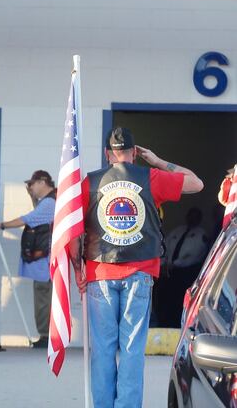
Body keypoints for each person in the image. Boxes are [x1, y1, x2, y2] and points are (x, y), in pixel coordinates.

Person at [70, 127, 203, 408]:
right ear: (134, 153)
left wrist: (77, 269)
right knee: (131, 348)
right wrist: (156, 161)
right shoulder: (151, 177)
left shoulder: (90, 182)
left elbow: (72, 231)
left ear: (108, 155)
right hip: (139, 273)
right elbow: (196, 183)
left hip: (99, 273)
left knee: (103, 350)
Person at [0, 170, 56, 348]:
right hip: (47, 262)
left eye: (32, 184)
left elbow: (29, 219)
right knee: (44, 298)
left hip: (45, 262)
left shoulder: (49, 203)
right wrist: (33, 198)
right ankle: (46, 336)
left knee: (42, 299)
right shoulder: (49, 201)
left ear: (42, 182)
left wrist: (0, 225)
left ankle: (44, 337)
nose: (30, 187)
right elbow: (39, 215)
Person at [159, 208, 209, 327]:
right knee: (164, 299)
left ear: (199, 219)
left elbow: (194, 255)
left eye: (195, 216)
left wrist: (175, 264)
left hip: (185, 273)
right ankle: (163, 323)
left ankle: (175, 324)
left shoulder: (201, 235)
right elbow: (164, 246)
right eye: (190, 215)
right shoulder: (178, 230)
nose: (192, 218)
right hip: (168, 272)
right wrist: (163, 263)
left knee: (179, 301)